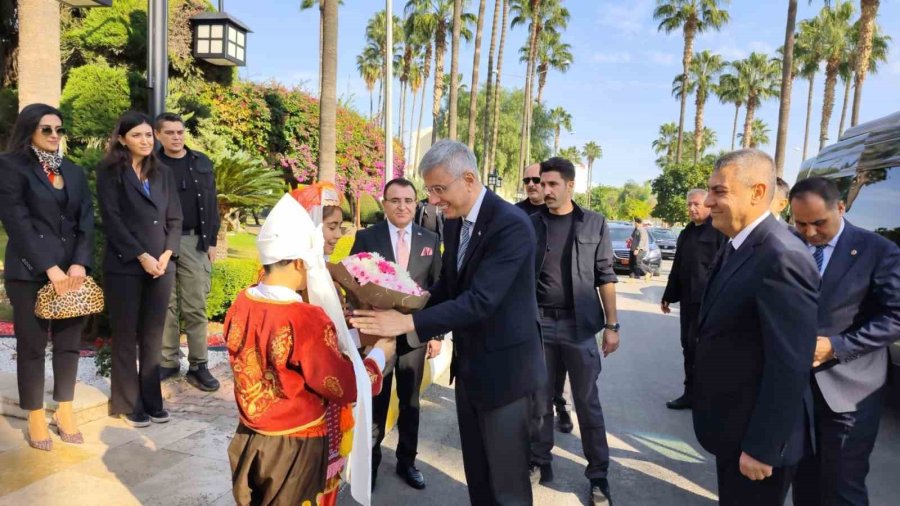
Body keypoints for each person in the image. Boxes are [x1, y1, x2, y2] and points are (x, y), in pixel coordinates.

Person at [351, 140, 547, 506]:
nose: (434, 200)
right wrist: (405, 308)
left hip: (506, 374)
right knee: (479, 477)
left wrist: (407, 324)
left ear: (468, 179)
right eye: (430, 191)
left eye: (439, 189)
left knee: (507, 487)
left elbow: (480, 301)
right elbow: (449, 286)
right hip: (471, 369)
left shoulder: (511, 225)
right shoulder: (456, 222)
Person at [225, 194, 392, 506]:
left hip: (250, 434)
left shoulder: (243, 301)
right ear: (300, 262)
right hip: (294, 444)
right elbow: (341, 384)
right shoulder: (304, 317)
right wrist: (379, 355)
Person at [693, 149, 819, 505]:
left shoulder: (781, 255)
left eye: (719, 191)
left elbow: (789, 363)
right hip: (732, 427)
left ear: (757, 192)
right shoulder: (739, 244)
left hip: (756, 441)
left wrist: (763, 446)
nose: (708, 201)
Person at [789, 177, 900, 506]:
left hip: (850, 391)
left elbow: (895, 316)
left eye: (819, 223)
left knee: (842, 486)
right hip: (797, 389)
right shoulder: (789, 245)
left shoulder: (878, 250)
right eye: (801, 223)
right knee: (804, 480)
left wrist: (836, 346)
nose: (810, 233)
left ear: (840, 208)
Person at [0, 104, 94, 450]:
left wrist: (79, 264)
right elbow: (17, 223)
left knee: (69, 343)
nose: (55, 135)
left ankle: (64, 410)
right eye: (46, 129)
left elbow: (85, 220)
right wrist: (49, 269)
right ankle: (36, 414)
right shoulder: (10, 167)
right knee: (32, 346)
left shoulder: (73, 171)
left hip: (71, 273)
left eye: (59, 129)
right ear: (29, 130)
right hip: (30, 272)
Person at [528, 157, 619, 506]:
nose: (545, 190)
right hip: (539, 324)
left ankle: (598, 476)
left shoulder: (594, 223)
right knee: (539, 401)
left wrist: (612, 325)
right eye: (542, 183)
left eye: (553, 184)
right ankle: (539, 461)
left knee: (587, 403)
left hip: (579, 327)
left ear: (569, 185)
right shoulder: (531, 224)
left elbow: (605, 276)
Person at [349, 177, 443, 490]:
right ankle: (371, 465)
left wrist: (436, 335)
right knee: (376, 400)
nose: (402, 206)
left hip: (415, 335)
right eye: (395, 200)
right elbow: (353, 282)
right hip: (378, 335)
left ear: (416, 204)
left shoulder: (430, 239)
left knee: (410, 402)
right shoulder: (367, 237)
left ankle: (407, 462)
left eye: (408, 200)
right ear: (385, 203)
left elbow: (437, 289)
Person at [96, 111, 183, 428]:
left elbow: (175, 218)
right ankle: (127, 402)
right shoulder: (110, 172)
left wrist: (167, 254)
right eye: (137, 135)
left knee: (152, 336)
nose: (145, 141)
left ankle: (151, 400)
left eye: (148, 135)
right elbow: (112, 220)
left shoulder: (163, 173)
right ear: (122, 139)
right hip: (125, 265)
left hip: (162, 266)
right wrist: (141, 256)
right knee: (125, 335)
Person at [155, 113, 221, 391]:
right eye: (169, 132)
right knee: (165, 305)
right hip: (160, 243)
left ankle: (198, 365)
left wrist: (212, 241)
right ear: (158, 135)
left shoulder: (201, 162)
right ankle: (168, 361)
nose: (176, 137)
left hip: (194, 242)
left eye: (180, 132)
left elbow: (212, 202)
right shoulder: (151, 163)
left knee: (196, 306)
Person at [519, 161, 576, 435]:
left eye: (538, 180)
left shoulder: (567, 216)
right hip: (531, 310)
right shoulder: (516, 215)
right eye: (528, 180)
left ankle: (561, 406)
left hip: (566, 314)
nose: (533, 185)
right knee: (534, 371)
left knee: (561, 368)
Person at [660, 189, 726, 410]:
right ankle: (690, 394)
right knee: (687, 346)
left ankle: (707, 397)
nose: (692, 208)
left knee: (703, 350)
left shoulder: (719, 231)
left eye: (696, 204)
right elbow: (677, 266)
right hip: (688, 301)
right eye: (689, 204)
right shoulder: (687, 232)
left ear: (708, 204)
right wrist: (668, 295)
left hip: (709, 303)